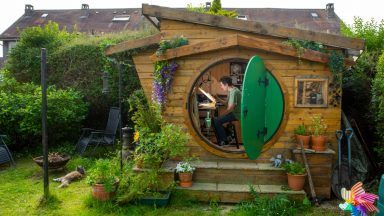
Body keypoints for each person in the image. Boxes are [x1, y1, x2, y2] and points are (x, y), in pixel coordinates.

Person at [213, 76, 242, 146]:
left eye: (221, 85)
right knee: (215, 120)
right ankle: (227, 136)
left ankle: (225, 141)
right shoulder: (231, 90)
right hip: (233, 112)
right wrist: (217, 98)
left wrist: (222, 115)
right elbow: (226, 103)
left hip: (236, 114)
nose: (221, 87)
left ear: (226, 84)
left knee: (217, 121)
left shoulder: (234, 92)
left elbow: (231, 108)